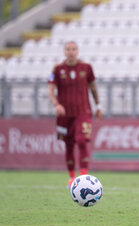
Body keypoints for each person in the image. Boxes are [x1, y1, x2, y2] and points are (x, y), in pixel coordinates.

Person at [48, 41, 103, 187]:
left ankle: (83, 178)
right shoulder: (57, 69)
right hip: (64, 115)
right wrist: (56, 104)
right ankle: (72, 177)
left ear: (77, 51)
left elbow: (93, 87)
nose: (71, 52)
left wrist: (98, 105)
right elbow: (50, 90)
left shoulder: (86, 68)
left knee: (81, 140)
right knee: (69, 144)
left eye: (73, 49)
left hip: (83, 112)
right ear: (64, 52)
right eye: (68, 49)